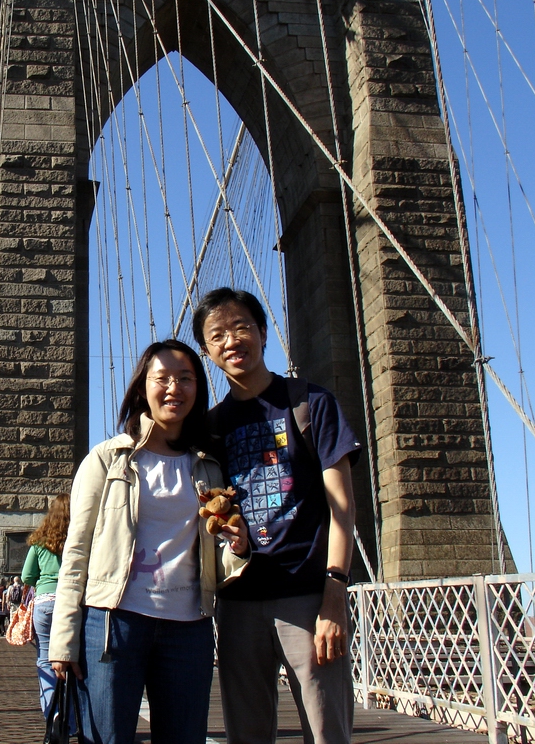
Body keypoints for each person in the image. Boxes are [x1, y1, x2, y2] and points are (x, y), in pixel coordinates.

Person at [48, 340, 249, 744]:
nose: (174, 388)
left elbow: (214, 554)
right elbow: (77, 551)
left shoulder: (209, 467)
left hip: (189, 627)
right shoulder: (107, 459)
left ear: (198, 388)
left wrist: (238, 549)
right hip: (113, 623)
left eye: (186, 379)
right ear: (143, 387)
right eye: (163, 378)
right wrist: (63, 639)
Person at [192, 287, 362, 744]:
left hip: (307, 599)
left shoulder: (311, 404)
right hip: (238, 604)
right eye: (217, 335)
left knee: (328, 735)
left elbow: (343, 508)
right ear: (207, 351)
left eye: (241, 326)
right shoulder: (208, 429)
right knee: (247, 737)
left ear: (264, 333)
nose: (231, 340)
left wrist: (334, 594)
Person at [22, 493, 71, 717]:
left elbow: (27, 576)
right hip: (71, 602)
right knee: (73, 658)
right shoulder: (78, 537)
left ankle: (52, 713)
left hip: (44, 603)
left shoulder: (39, 542)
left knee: (45, 658)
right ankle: (71, 719)